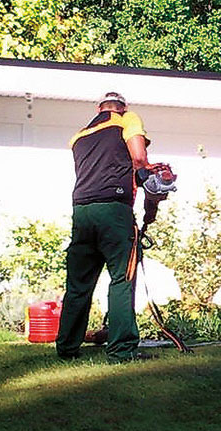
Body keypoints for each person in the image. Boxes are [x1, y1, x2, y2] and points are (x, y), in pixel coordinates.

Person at [56, 91, 152, 362]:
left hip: (82, 211)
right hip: (113, 209)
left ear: (99, 108)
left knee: (78, 284)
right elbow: (139, 159)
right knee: (122, 277)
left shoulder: (79, 136)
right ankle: (122, 350)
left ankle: (66, 349)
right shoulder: (127, 119)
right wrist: (149, 173)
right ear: (124, 108)